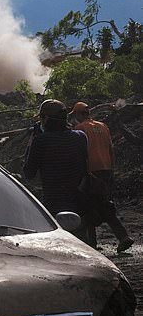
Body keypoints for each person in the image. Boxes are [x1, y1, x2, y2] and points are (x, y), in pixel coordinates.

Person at [70, 101, 134, 252]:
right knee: (104, 203)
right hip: (106, 170)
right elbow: (111, 149)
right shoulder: (103, 126)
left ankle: (94, 244)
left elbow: (81, 153)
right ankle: (120, 237)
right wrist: (112, 170)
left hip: (91, 172)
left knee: (87, 207)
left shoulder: (80, 129)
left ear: (79, 115)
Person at [23, 99, 90, 242]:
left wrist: (32, 141)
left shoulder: (40, 142)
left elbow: (29, 173)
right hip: (79, 203)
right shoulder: (80, 137)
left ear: (46, 119)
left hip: (53, 206)